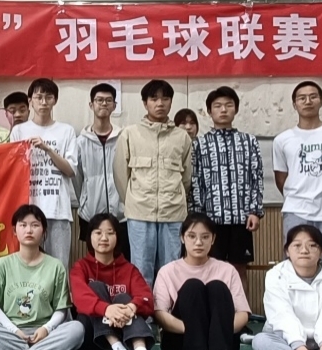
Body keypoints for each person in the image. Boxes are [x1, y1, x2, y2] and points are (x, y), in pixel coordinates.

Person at [0, 204, 85, 350]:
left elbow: (61, 309)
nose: (29, 230)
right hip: (12, 333)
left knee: (76, 328)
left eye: (35, 225)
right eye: (23, 225)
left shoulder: (55, 266)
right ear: (14, 230)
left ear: (44, 231)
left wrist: (46, 329)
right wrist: (14, 330)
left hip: (45, 334)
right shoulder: (2, 265)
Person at [152, 214, 251, 350]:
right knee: (193, 286)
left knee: (217, 287)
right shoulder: (167, 271)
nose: (198, 242)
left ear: (213, 239)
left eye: (205, 237)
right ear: (182, 238)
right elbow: (160, 314)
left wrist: (216, 333)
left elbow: (243, 314)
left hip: (223, 347)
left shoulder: (227, 270)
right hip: (181, 348)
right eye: (192, 236)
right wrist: (196, 331)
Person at [115, 79, 193, 286]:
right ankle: (144, 307)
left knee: (171, 269)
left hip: (173, 213)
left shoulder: (182, 137)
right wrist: (133, 201)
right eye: (154, 99)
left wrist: (174, 198)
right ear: (145, 103)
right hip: (140, 213)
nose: (160, 103)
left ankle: (168, 307)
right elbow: (121, 175)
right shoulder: (130, 134)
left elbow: (186, 178)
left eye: (165, 99)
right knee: (141, 269)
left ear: (171, 102)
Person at [70, 213, 160, 350]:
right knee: (95, 288)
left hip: (127, 342)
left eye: (110, 233)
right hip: (92, 345)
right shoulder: (81, 267)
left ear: (118, 237)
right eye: (98, 233)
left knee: (125, 299)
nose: (104, 238)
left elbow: (147, 298)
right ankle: (117, 348)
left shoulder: (129, 269)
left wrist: (131, 307)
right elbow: (80, 298)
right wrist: (106, 309)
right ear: (89, 237)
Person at [273, 81, 322, 279]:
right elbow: (281, 178)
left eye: (313, 96)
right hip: (296, 208)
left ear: (321, 101)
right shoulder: (282, 140)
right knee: (296, 263)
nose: (307, 101)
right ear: (294, 104)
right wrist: (298, 193)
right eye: (302, 98)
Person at [190, 87, 264, 285]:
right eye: (218, 106)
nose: (223, 110)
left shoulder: (249, 141)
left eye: (228, 105)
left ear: (236, 109)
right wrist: (197, 216)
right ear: (209, 111)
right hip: (210, 219)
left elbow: (256, 177)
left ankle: (240, 306)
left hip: (241, 219)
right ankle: (212, 306)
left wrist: (255, 211)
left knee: (239, 270)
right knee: (209, 269)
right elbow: (195, 181)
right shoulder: (199, 144)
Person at [9, 78, 76, 265]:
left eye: (48, 97)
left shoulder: (66, 131)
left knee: (59, 266)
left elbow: (70, 170)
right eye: (39, 97)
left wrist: (47, 149)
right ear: (30, 100)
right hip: (28, 211)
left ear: (55, 100)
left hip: (58, 211)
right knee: (26, 264)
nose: (44, 102)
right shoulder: (19, 131)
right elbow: (12, 171)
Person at [74, 83, 129, 260]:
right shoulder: (80, 142)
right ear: (91, 105)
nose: (104, 104)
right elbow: (77, 179)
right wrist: (85, 200)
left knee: (121, 261)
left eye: (108, 100)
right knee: (94, 262)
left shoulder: (124, 138)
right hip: (90, 214)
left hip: (121, 215)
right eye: (99, 100)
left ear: (114, 105)